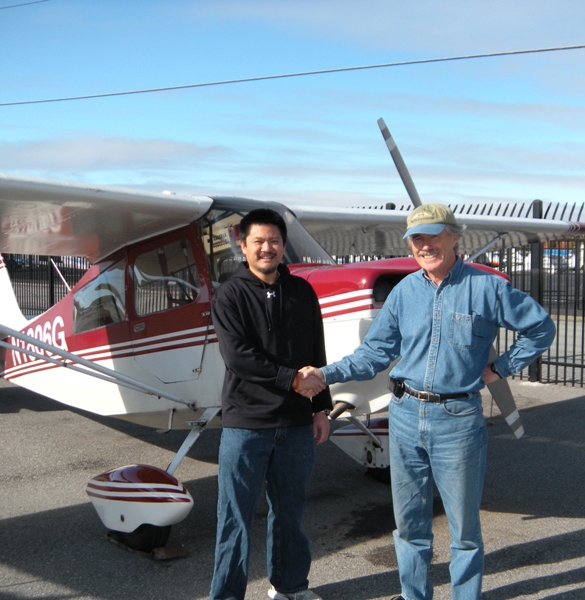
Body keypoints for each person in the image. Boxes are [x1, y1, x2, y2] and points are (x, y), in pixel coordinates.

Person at [299, 203, 555, 600]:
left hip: (457, 420)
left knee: (464, 531)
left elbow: (540, 327)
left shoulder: (487, 288)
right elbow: (374, 355)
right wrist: (324, 374)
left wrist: (501, 367)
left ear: (454, 237)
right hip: (403, 416)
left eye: (433, 236)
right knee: (410, 526)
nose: (424, 245)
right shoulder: (404, 292)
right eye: (417, 238)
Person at [209, 208, 332, 600]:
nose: (267, 248)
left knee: (290, 514)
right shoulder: (230, 294)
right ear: (242, 245)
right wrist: (292, 379)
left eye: (275, 241)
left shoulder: (302, 292)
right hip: (246, 425)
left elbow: (316, 351)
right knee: (235, 518)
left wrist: (320, 407)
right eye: (258, 241)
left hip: (296, 424)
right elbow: (239, 357)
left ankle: (290, 587)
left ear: (283, 245)